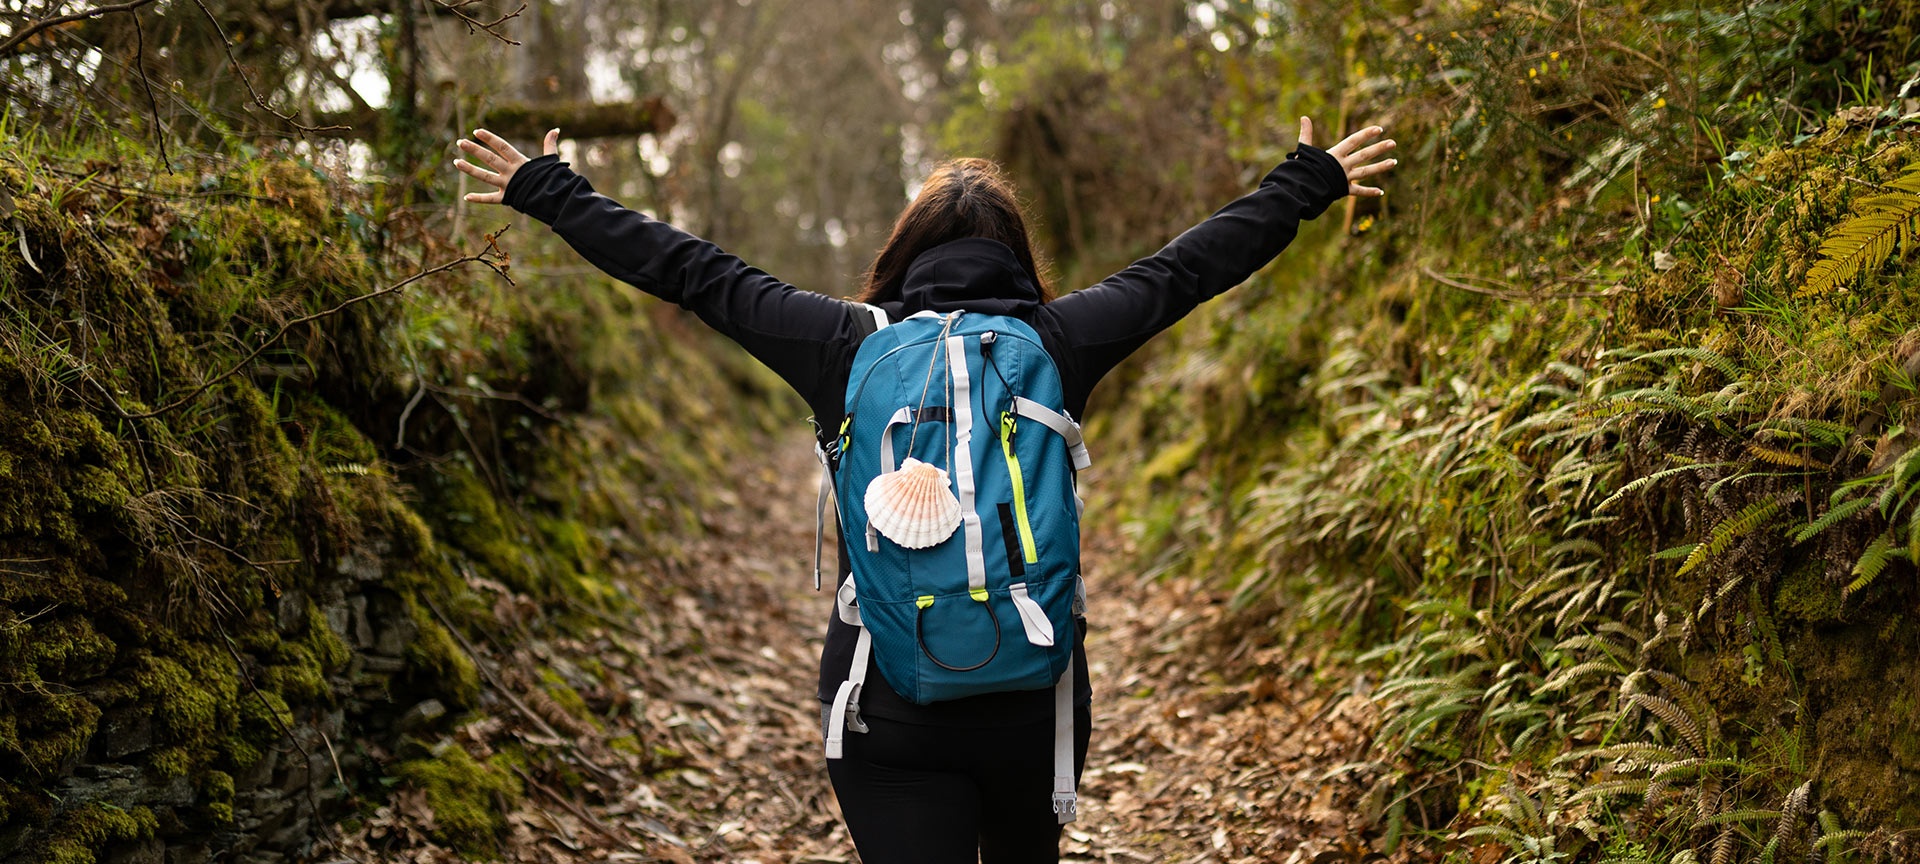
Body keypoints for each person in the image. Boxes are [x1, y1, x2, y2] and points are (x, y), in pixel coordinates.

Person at [454, 117, 1395, 863]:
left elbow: (696, 274)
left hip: (885, 703)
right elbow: (1187, 270)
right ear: (1019, 258)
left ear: (901, 254)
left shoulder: (842, 342)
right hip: (1036, 695)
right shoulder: (1063, 342)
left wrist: (555, 195)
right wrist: (1304, 182)